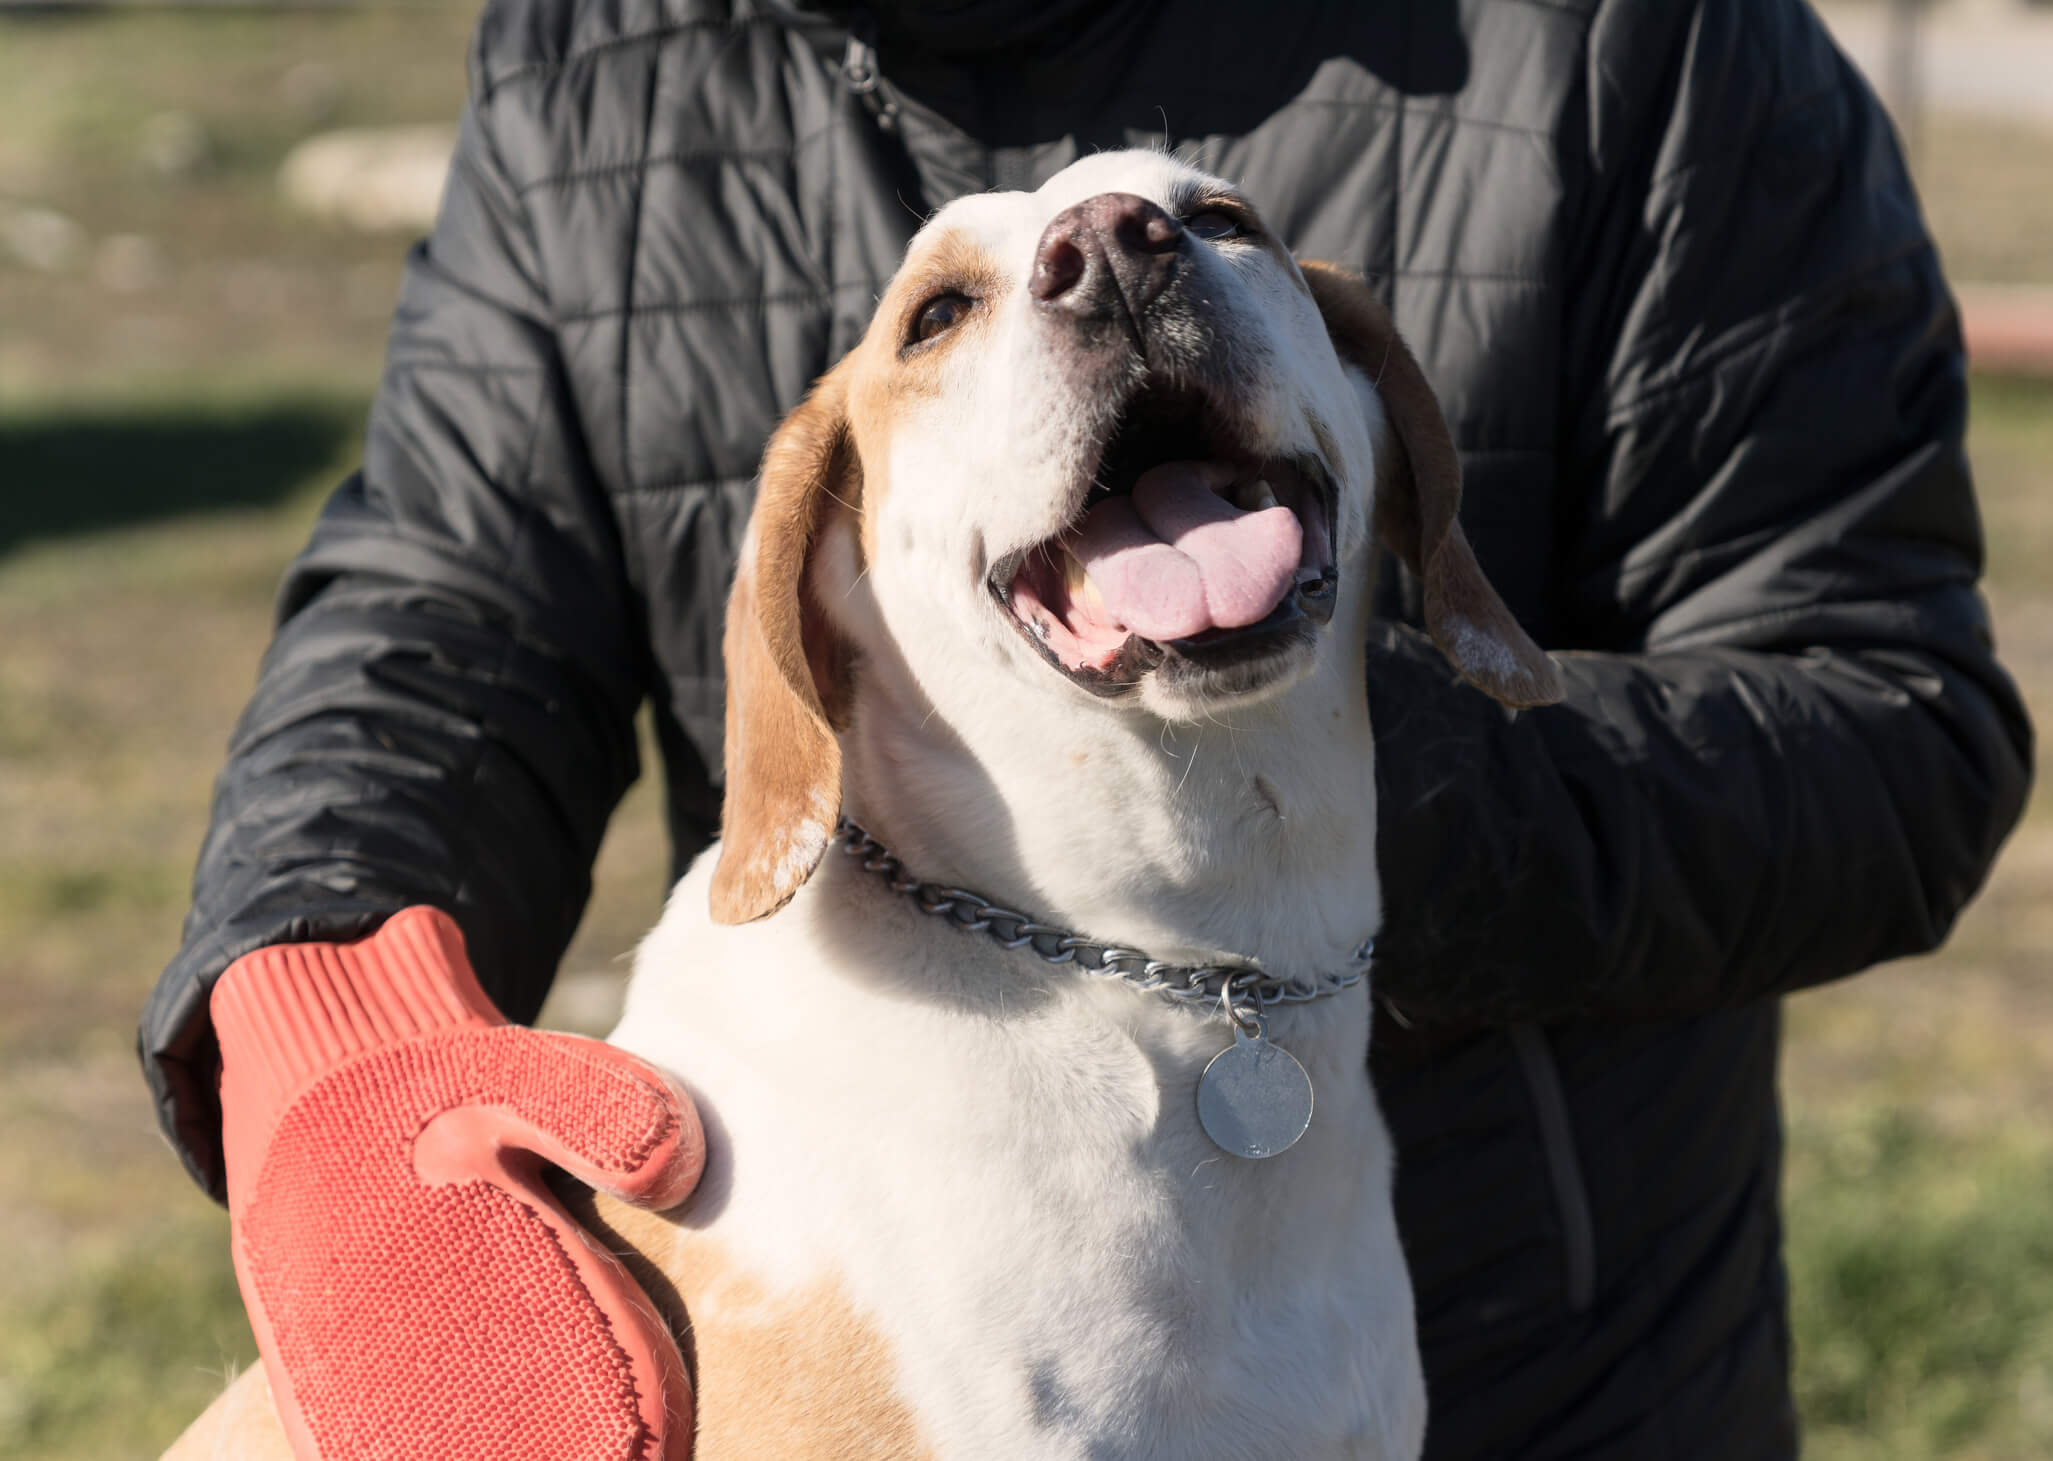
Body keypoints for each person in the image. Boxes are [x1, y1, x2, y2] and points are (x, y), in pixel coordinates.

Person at [140, 0, 2033, 1456]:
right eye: (953, 308)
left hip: (1556, 1365)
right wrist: (320, 1014)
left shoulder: (1644, 37)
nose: (1114, 255)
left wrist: (1303, 827)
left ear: (1387, 417)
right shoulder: (595, 43)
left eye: (1207, 224)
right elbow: (443, 607)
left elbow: (1886, 712)